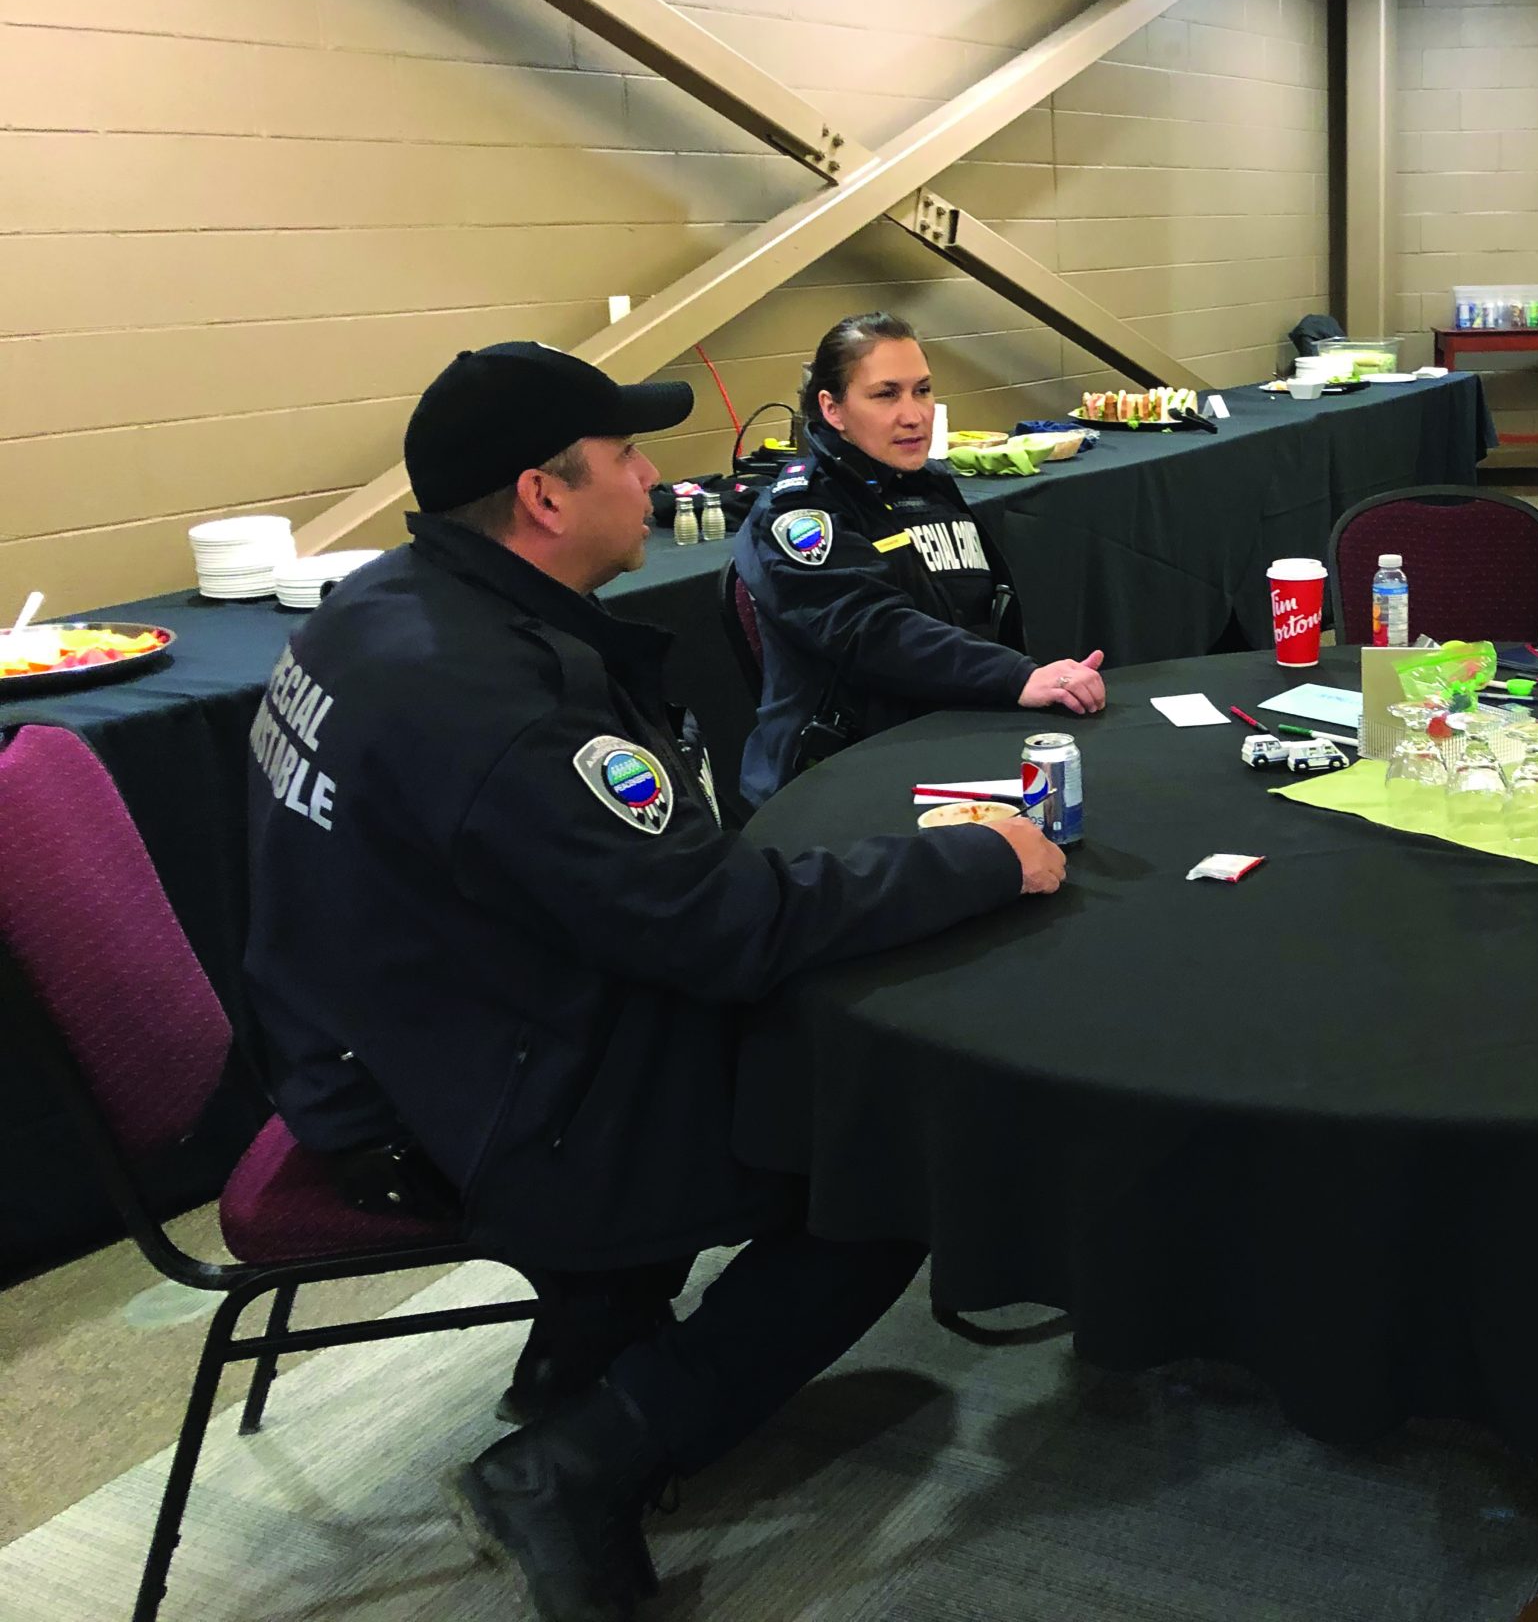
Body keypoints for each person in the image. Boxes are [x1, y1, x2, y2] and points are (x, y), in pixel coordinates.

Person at [240, 341, 1068, 1620]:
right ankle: (580, 1465)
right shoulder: (497, 700)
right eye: (626, 456)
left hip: (366, 1042)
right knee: (887, 1145)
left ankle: (588, 1342)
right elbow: (712, 923)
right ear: (543, 497)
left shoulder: (381, 605)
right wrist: (979, 860)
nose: (653, 479)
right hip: (462, 1104)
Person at [734, 313, 1105, 810]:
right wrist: (1016, 676)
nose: (913, 415)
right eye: (886, 394)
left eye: (922, 391)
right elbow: (871, 630)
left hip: (951, 734)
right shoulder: (799, 511)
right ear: (832, 409)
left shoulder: (929, 485)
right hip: (843, 774)